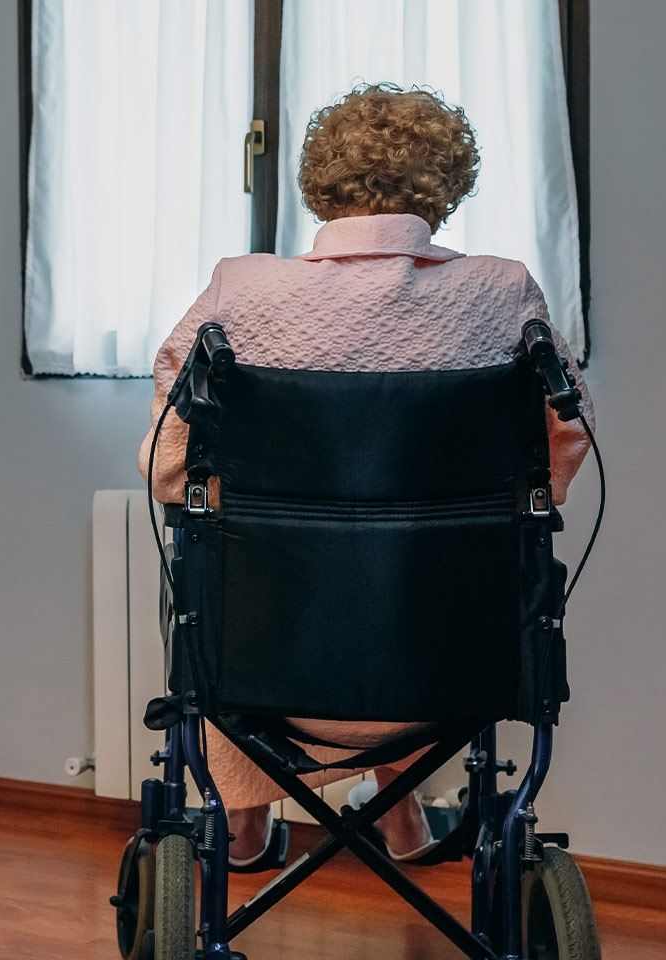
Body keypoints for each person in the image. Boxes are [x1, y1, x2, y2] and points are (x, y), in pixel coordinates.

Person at [138, 82, 593, 868]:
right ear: (446, 186)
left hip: (269, 667)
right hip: (449, 668)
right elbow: (565, 438)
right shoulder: (503, 290)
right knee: (414, 568)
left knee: (243, 568)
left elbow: (169, 463)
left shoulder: (240, 290)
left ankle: (245, 824)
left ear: (320, 182)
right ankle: (401, 813)